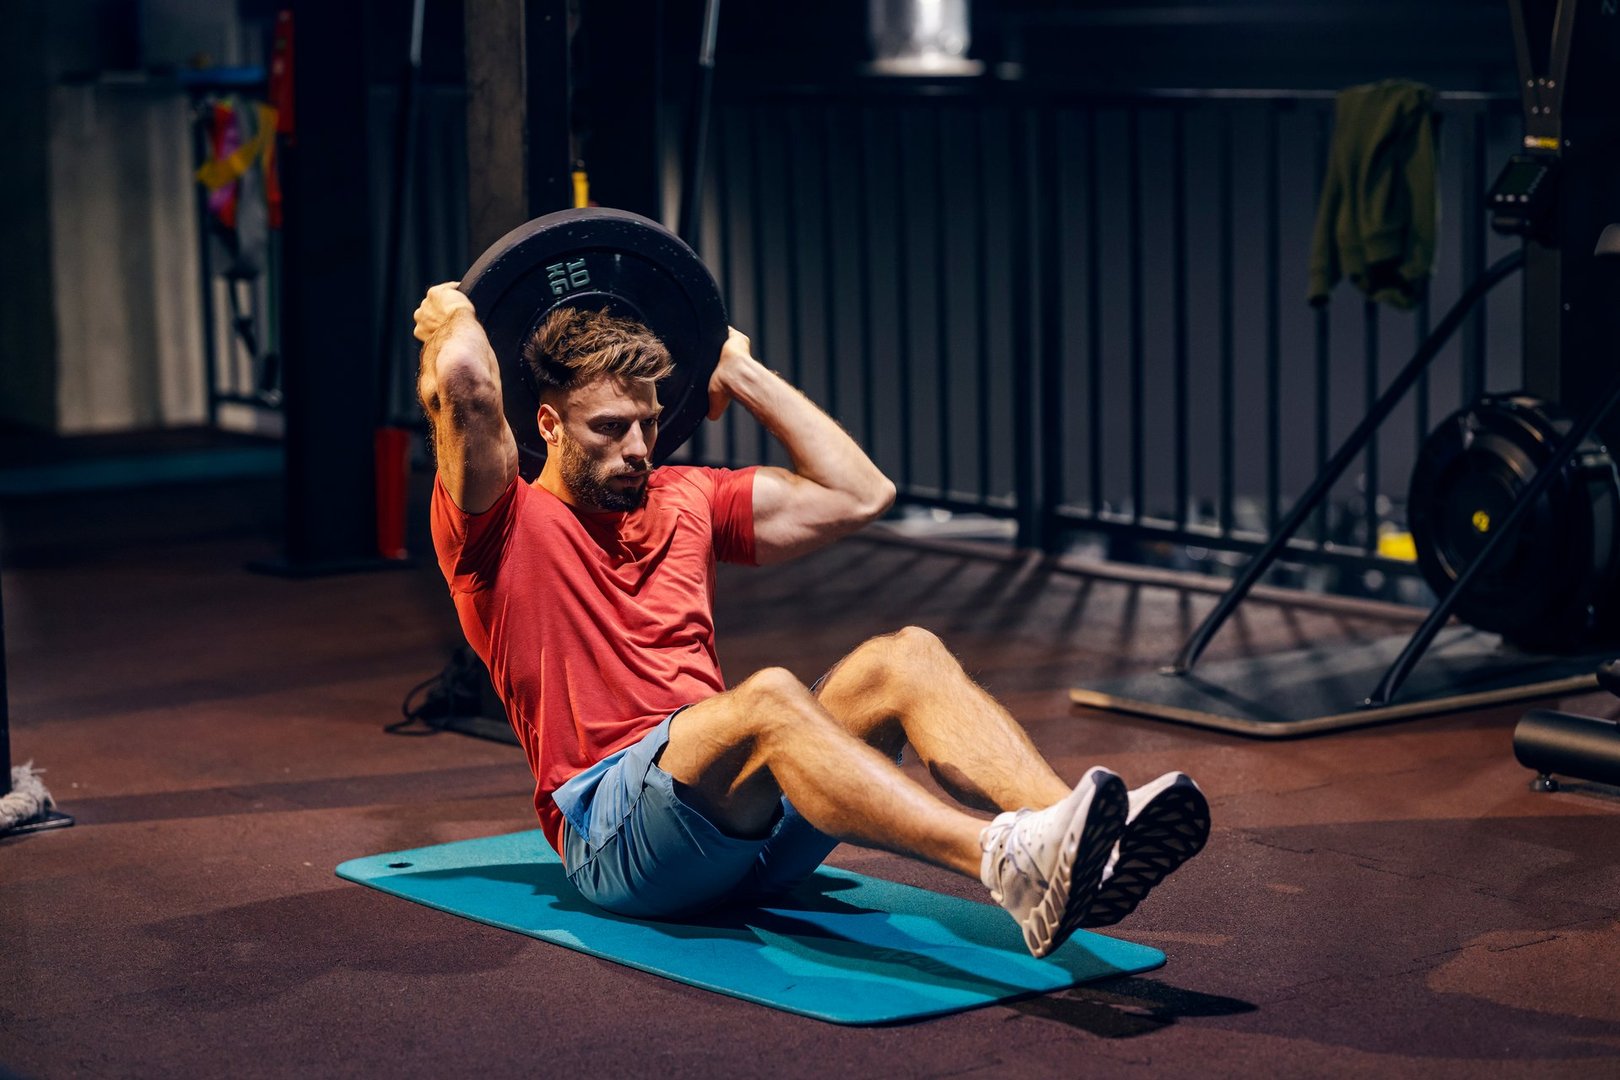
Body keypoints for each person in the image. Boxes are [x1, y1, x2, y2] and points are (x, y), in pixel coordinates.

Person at [413, 282, 1209, 958]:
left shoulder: (686, 498)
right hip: (620, 839)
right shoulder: (497, 526)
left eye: (650, 423)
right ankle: (1002, 862)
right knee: (769, 700)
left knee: (907, 658)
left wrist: (744, 372)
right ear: (548, 426)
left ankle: (1076, 845)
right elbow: (469, 385)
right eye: (610, 428)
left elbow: (860, 494)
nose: (639, 448)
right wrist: (453, 315)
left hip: (742, 827)